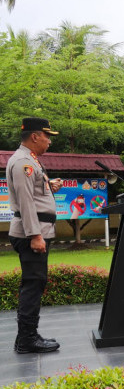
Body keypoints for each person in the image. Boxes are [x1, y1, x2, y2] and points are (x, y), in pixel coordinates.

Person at [7, 117, 62, 354]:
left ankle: (28, 336)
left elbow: (34, 192)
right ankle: (27, 339)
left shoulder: (31, 161)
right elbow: (26, 201)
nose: (50, 141)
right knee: (33, 284)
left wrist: (50, 186)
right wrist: (35, 235)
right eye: (47, 136)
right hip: (32, 233)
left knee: (35, 283)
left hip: (37, 231)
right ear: (35, 136)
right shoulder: (23, 162)